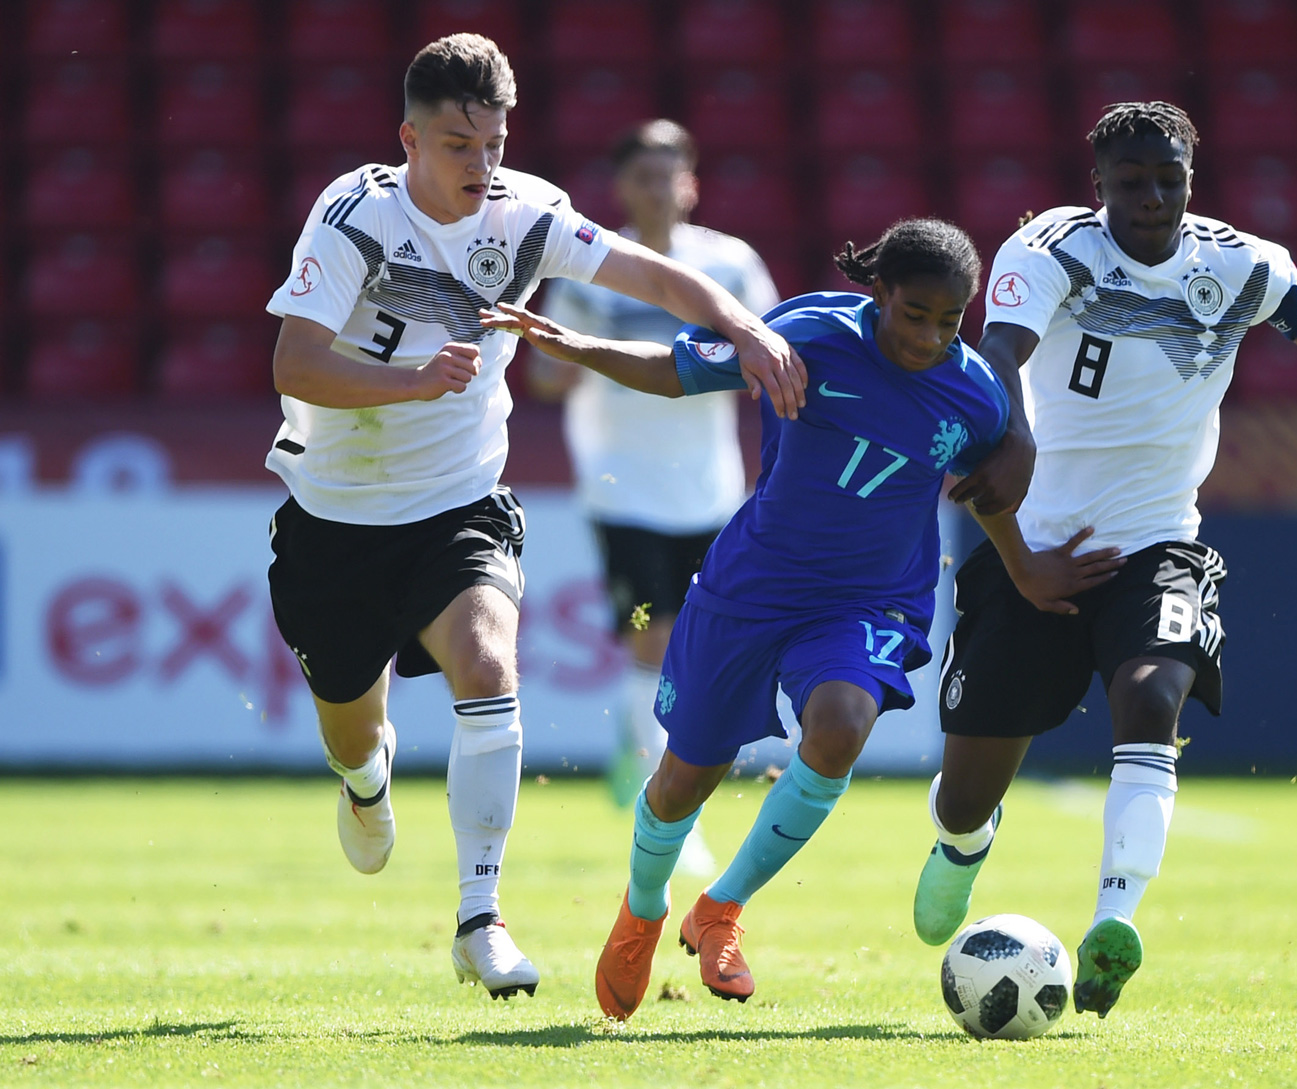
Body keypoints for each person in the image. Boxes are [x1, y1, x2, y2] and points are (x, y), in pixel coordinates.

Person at [263, 33, 804, 1001]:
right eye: (457, 145)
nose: (481, 165)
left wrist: (743, 324)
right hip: (334, 517)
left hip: (458, 503)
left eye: (495, 144)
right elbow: (293, 364)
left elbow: (649, 275)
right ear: (409, 139)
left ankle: (480, 920)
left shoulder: (528, 215)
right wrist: (410, 379)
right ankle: (364, 779)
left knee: (490, 665)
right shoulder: (353, 217)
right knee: (352, 730)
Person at [482, 218, 1087, 1022]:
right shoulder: (807, 334)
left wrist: (1024, 553)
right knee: (682, 780)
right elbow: (675, 370)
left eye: (950, 321)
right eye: (915, 315)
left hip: (869, 602)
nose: (932, 336)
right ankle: (644, 906)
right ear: (882, 295)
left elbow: (991, 486)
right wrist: (576, 345)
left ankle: (722, 908)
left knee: (840, 724)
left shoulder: (973, 389)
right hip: (752, 589)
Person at [911, 101, 1297, 1019]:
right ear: (1098, 187)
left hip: (1162, 541)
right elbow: (995, 368)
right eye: (1131, 182)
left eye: (1169, 179)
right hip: (1038, 543)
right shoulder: (1051, 253)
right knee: (968, 795)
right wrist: (1014, 534)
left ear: (1190, 179)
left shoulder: (1240, 266)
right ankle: (959, 845)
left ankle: (1113, 921)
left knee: (1151, 694)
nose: (1153, 198)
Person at [529, 120, 780, 875]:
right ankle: (665, 805)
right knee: (654, 637)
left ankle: (648, 760)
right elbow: (543, 374)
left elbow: (769, 351)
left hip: (709, 489)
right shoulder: (591, 268)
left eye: (670, 173)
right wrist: (572, 362)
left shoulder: (729, 267)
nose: (658, 187)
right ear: (623, 187)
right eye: (644, 174)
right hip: (620, 486)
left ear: (692, 182)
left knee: (697, 647)